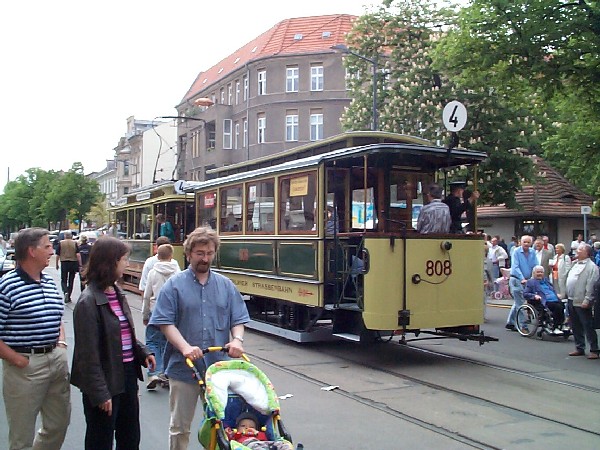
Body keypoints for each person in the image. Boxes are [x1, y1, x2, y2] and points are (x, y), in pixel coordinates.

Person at [149, 226, 250, 450]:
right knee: (180, 427)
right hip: (183, 369)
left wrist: (237, 340)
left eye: (209, 253)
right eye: (200, 253)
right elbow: (165, 323)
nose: (205, 258)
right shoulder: (173, 286)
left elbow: (238, 319)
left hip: (219, 370)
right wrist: (185, 347)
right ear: (188, 254)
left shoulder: (226, 285)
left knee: (221, 426)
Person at [71, 236, 156, 450]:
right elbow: (87, 355)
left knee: (130, 436)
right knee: (101, 439)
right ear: (110, 262)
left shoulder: (116, 293)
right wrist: (100, 392)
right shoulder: (88, 301)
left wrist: (142, 351)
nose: (126, 263)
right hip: (105, 379)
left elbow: (121, 334)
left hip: (126, 375)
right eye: (123, 259)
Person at [0, 228, 71, 450]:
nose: (52, 250)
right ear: (31, 251)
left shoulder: (49, 282)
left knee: (58, 425)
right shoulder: (7, 286)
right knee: (22, 434)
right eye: (47, 246)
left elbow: (57, 315)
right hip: (25, 366)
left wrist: (60, 344)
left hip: (55, 360)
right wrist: (17, 360)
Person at [143, 243, 180, 390]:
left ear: (158, 256)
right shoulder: (177, 272)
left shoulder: (153, 272)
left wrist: (145, 314)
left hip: (155, 311)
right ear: (171, 256)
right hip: (171, 312)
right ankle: (165, 373)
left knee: (152, 342)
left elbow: (146, 296)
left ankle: (153, 373)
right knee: (167, 343)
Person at [565, 243, 599, 359]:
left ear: (586, 253)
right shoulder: (574, 263)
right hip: (571, 298)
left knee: (587, 325)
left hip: (582, 300)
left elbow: (591, 285)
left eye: (580, 249)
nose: (577, 251)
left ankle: (594, 349)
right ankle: (579, 347)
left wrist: (587, 299)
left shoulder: (591, 267)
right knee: (575, 324)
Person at [506, 235, 537, 331]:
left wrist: (534, 277)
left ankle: (510, 322)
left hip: (528, 280)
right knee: (521, 303)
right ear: (520, 242)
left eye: (528, 242)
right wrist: (522, 278)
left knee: (518, 302)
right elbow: (515, 267)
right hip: (516, 280)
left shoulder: (533, 252)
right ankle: (523, 326)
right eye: (525, 242)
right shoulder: (516, 251)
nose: (526, 244)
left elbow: (536, 265)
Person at [523, 266, 564, 334]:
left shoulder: (546, 280)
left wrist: (557, 294)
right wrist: (534, 296)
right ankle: (555, 327)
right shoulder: (531, 282)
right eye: (538, 272)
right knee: (557, 307)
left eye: (541, 272)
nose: (540, 273)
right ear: (533, 273)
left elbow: (552, 289)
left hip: (554, 299)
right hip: (543, 301)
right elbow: (525, 294)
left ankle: (561, 324)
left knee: (563, 305)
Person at [226, 412, 293, 450]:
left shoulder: (259, 434)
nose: (247, 428)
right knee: (256, 447)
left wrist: (257, 433)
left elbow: (265, 438)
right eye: (243, 426)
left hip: (263, 443)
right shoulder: (237, 434)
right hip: (248, 445)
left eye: (251, 427)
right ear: (237, 428)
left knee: (281, 444)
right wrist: (229, 432)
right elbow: (230, 439)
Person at [55, 230, 82, 303]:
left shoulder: (61, 243)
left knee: (63, 279)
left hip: (64, 262)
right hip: (73, 262)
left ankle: (65, 291)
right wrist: (80, 264)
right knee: (71, 279)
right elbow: (78, 255)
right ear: (71, 236)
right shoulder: (75, 243)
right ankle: (69, 295)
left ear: (65, 236)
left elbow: (57, 254)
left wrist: (56, 264)